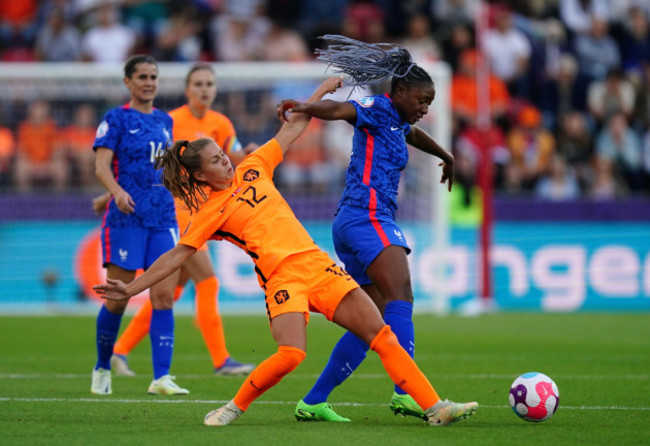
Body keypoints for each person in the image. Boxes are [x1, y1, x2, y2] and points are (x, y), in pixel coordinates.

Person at [94, 76, 478, 427]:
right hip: (282, 279)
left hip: (319, 266)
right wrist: (131, 289)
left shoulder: (254, 166)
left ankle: (434, 408)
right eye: (215, 160)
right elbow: (176, 256)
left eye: (222, 154)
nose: (225, 159)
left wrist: (319, 94)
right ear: (198, 176)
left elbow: (293, 126)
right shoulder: (208, 214)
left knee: (382, 334)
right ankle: (234, 406)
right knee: (292, 354)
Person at [275, 35, 455, 422]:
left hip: (356, 221)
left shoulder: (397, 123)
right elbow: (340, 110)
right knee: (400, 296)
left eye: (430, 103)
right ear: (401, 91)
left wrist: (445, 155)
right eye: (422, 100)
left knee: (369, 318)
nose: (425, 108)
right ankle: (406, 391)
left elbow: (413, 135)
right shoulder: (376, 108)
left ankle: (313, 401)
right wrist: (305, 106)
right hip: (366, 217)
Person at [107, 63, 256, 377]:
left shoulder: (222, 124)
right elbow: (148, 164)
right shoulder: (171, 121)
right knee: (208, 281)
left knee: (171, 292)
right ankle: (221, 360)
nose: (205, 89)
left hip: (204, 211)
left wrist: (253, 155)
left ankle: (119, 351)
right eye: (199, 83)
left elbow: (235, 159)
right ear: (187, 90)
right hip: (175, 211)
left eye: (210, 84)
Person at [91, 54, 188, 396]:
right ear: (128, 82)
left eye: (153, 77)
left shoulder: (164, 121)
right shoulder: (115, 118)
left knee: (163, 296)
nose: (149, 82)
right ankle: (102, 366)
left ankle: (162, 377)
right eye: (142, 76)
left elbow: (163, 170)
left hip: (163, 218)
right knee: (117, 299)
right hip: (126, 219)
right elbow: (102, 167)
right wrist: (114, 194)